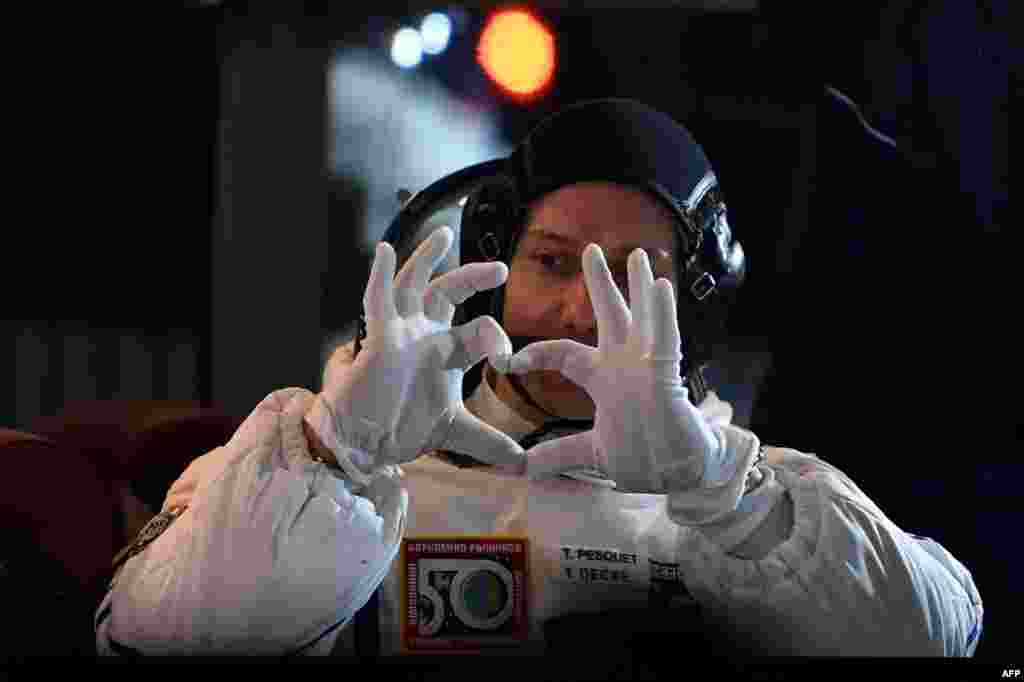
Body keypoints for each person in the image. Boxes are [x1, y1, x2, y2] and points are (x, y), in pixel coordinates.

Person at [95, 99, 982, 659]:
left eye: (633, 274)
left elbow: (935, 635)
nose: (579, 313)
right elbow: (148, 634)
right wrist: (337, 457)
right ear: (494, 264)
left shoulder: (764, 509)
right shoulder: (348, 466)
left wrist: (725, 493)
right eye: (553, 263)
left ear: (698, 305)